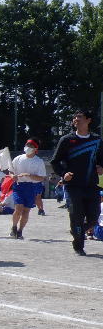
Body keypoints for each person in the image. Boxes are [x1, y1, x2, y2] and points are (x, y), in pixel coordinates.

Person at [50, 109, 103, 256]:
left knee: (94, 218)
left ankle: (76, 231)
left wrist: (101, 166)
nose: (76, 120)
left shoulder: (97, 140)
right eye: (74, 117)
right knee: (76, 216)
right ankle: (78, 245)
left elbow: (101, 159)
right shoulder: (67, 140)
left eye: (79, 117)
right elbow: (54, 162)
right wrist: (63, 174)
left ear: (88, 120)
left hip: (91, 185)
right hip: (73, 187)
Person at [9, 138, 47, 239]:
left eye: (30, 146)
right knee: (18, 208)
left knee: (26, 210)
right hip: (18, 186)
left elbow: (41, 177)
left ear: (35, 149)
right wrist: (12, 176)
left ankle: (20, 230)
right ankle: (13, 227)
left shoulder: (38, 161)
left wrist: (29, 175)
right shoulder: (18, 158)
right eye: (27, 145)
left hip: (31, 187)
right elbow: (11, 171)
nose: (28, 147)